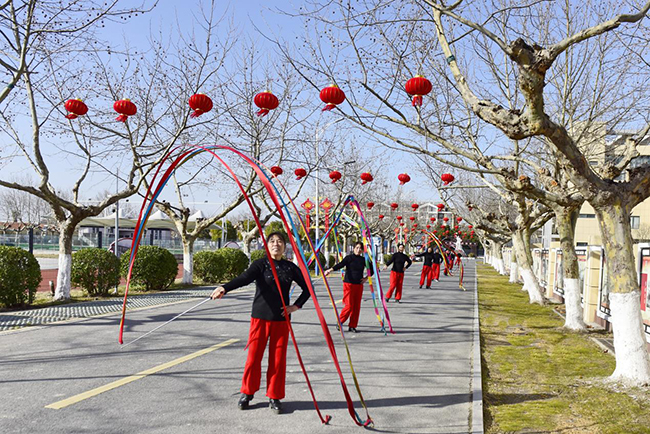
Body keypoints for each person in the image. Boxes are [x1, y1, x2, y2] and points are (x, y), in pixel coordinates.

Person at [210, 232, 311, 415]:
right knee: (254, 358)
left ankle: (275, 396)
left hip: (281, 320)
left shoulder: (290, 267)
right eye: (272, 241)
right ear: (267, 245)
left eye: (279, 241)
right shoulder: (261, 265)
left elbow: (307, 288)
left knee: (278, 361)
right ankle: (247, 393)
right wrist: (225, 288)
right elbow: (244, 278)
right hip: (260, 318)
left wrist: (295, 306)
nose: (276, 244)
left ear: (284, 245)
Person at [324, 241, 372, 333]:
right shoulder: (349, 258)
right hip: (348, 284)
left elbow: (372, 269)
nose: (358, 250)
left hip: (358, 285)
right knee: (349, 305)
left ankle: (352, 326)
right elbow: (340, 265)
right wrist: (330, 270)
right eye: (357, 248)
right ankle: (340, 321)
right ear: (353, 248)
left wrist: (366, 278)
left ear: (362, 250)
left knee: (356, 307)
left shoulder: (363, 260)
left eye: (360, 248)